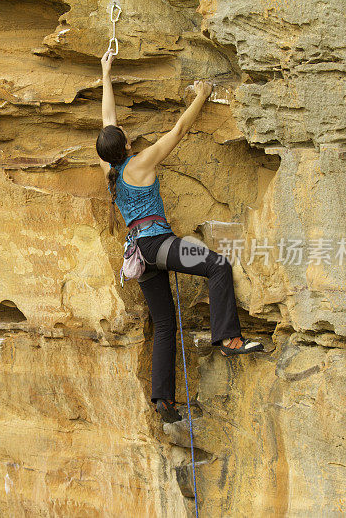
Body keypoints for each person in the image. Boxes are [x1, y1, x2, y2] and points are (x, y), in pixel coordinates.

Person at [96, 50, 264, 423]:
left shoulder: (108, 166)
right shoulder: (140, 163)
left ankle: (164, 402)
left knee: (165, 324)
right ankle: (228, 338)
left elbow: (107, 120)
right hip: (158, 246)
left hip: (138, 254)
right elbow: (179, 131)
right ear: (124, 145)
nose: (124, 132)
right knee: (218, 265)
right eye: (124, 135)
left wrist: (106, 73)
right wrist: (202, 96)